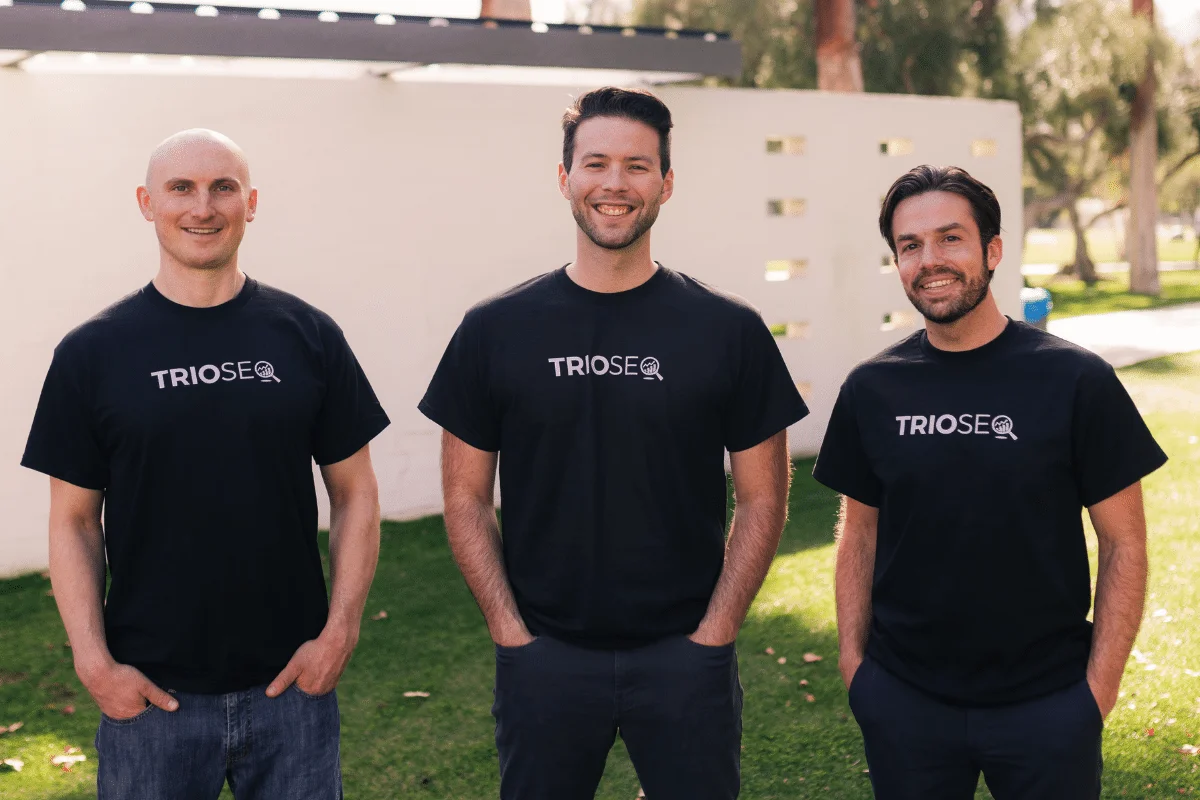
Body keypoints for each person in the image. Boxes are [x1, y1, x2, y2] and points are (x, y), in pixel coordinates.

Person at [418, 87, 808, 800]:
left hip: (686, 659)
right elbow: (466, 497)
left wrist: (716, 633)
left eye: (637, 165)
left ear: (665, 183)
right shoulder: (494, 331)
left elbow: (763, 500)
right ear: (564, 177)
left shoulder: (729, 332)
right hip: (545, 659)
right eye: (596, 163)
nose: (615, 184)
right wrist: (509, 632)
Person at [21, 129, 390, 799]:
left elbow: (356, 493)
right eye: (181, 188)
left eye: (223, 187)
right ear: (146, 202)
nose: (203, 206)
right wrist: (94, 663)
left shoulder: (308, 336)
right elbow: (74, 521)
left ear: (250, 203)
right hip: (150, 698)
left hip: (293, 691)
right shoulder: (92, 353)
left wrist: (340, 631)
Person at [814, 165, 1167, 799]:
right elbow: (858, 536)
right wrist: (856, 668)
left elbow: (1125, 545)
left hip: (1049, 705)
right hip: (905, 702)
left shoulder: (1076, 382)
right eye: (910, 246)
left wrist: (1096, 692)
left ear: (993, 250)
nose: (930, 261)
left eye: (950, 238)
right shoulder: (872, 388)